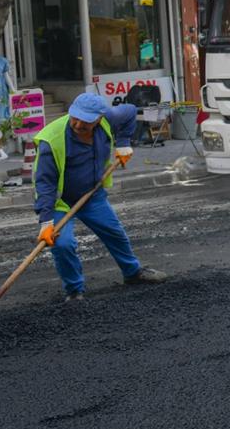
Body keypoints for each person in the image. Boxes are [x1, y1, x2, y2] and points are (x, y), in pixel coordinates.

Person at [34, 93, 167, 300]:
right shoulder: (51, 141)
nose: (78, 124)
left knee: (114, 232)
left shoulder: (110, 118)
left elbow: (130, 112)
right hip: (59, 202)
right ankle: (75, 291)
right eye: (75, 118)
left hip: (92, 194)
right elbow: (45, 183)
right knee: (63, 245)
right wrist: (46, 221)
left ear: (99, 118)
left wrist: (123, 143)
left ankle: (132, 273)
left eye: (85, 120)